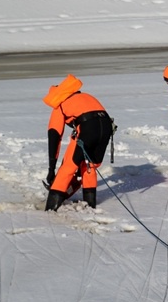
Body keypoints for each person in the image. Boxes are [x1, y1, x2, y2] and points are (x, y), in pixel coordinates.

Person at [43, 74, 114, 211]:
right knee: (90, 166)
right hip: (106, 127)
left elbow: (54, 137)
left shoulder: (60, 106)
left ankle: (51, 209)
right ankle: (90, 204)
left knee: (68, 167)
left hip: (88, 128)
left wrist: (51, 169)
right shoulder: (87, 96)